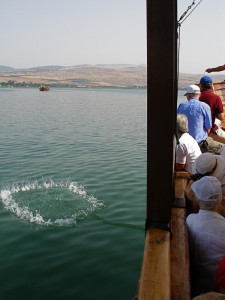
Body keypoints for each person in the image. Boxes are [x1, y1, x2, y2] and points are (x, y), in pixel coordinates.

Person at [187, 176, 225, 296]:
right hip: (217, 285)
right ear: (220, 200)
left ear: (197, 200)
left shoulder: (190, 220)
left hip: (193, 277)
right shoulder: (223, 226)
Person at [177, 84, 212, 152]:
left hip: (184, 142)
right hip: (200, 143)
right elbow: (208, 128)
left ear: (189, 95)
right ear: (199, 94)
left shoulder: (181, 105)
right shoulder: (205, 106)